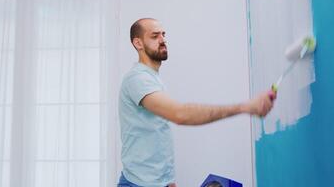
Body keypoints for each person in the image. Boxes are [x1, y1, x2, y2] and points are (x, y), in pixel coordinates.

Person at [117, 18, 276, 187]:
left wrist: (166, 180)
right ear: (138, 43)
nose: (163, 40)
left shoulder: (152, 78)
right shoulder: (138, 79)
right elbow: (180, 114)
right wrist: (246, 107)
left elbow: (155, 131)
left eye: (163, 35)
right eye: (155, 36)